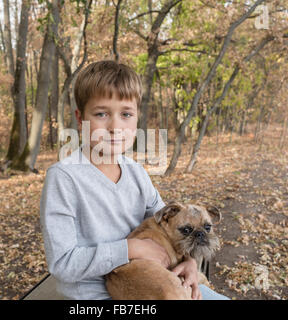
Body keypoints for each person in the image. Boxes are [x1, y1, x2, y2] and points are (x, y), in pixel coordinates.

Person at [40, 60, 229, 300]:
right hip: (93, 296)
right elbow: (63, 263)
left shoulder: (136, 172)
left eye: (126, 114)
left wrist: (191, 262)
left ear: (137, 118)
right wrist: (131, 249)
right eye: (101, 114)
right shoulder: (64, 178)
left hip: (160, 282)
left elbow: (169, 225)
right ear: (80, 119)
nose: (115, 127)